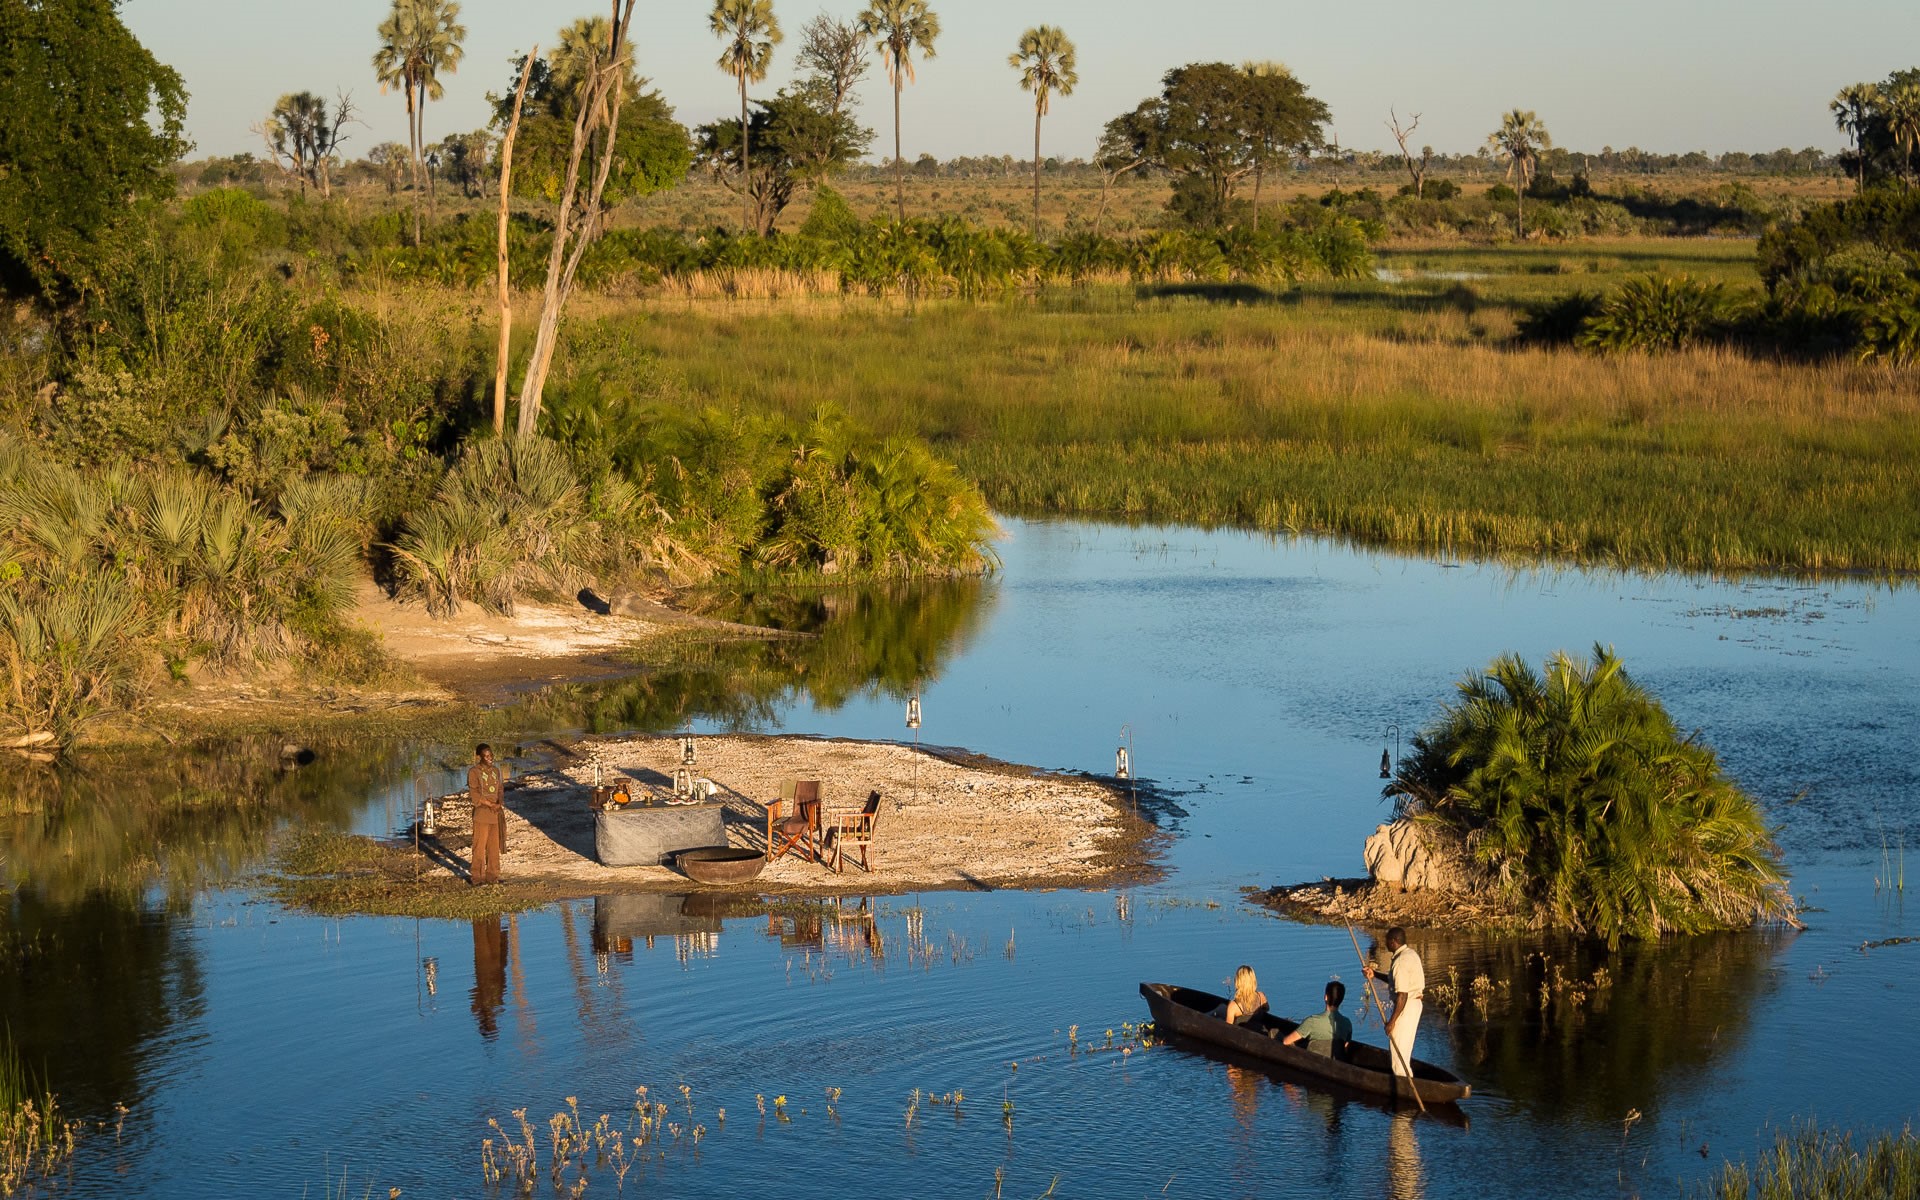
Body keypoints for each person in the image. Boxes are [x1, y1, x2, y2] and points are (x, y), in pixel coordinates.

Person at [1362, 926, 1425, 1078]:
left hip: (1406, 1007)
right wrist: (1374, 974)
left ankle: (1404, 1086)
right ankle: (1407, 1081)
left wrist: (1392, 1021)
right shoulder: (1411, 954)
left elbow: (1402, 995)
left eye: (1387, 940)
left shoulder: (1400, 962)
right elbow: (1395, 981)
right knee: (1403, 1051)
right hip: (1413, 1005)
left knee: (1398, 1056)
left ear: (1394, 941)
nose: (1385, 943)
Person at [1281, 979, 1353, 1058]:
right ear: (1341, 1000)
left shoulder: (1312, 1021)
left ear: (1325, 997)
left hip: (1310, 1062)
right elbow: (1345, 1049)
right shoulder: (1347, 1023)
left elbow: (1286, 1042)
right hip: (1334, 1063)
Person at [467, 744, 506, 886]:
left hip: (495, 814)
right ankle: (477, 877)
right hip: (482, 814)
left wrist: (499, 803)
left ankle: (493, 876)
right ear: (480, 757)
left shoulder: (496, 771)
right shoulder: (473, 772)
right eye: (487, 756)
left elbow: (500, 789)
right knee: (479, 847)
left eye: (491, 755)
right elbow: (474, 794)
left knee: (494, 847)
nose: (490, 758)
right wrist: (490, 804)